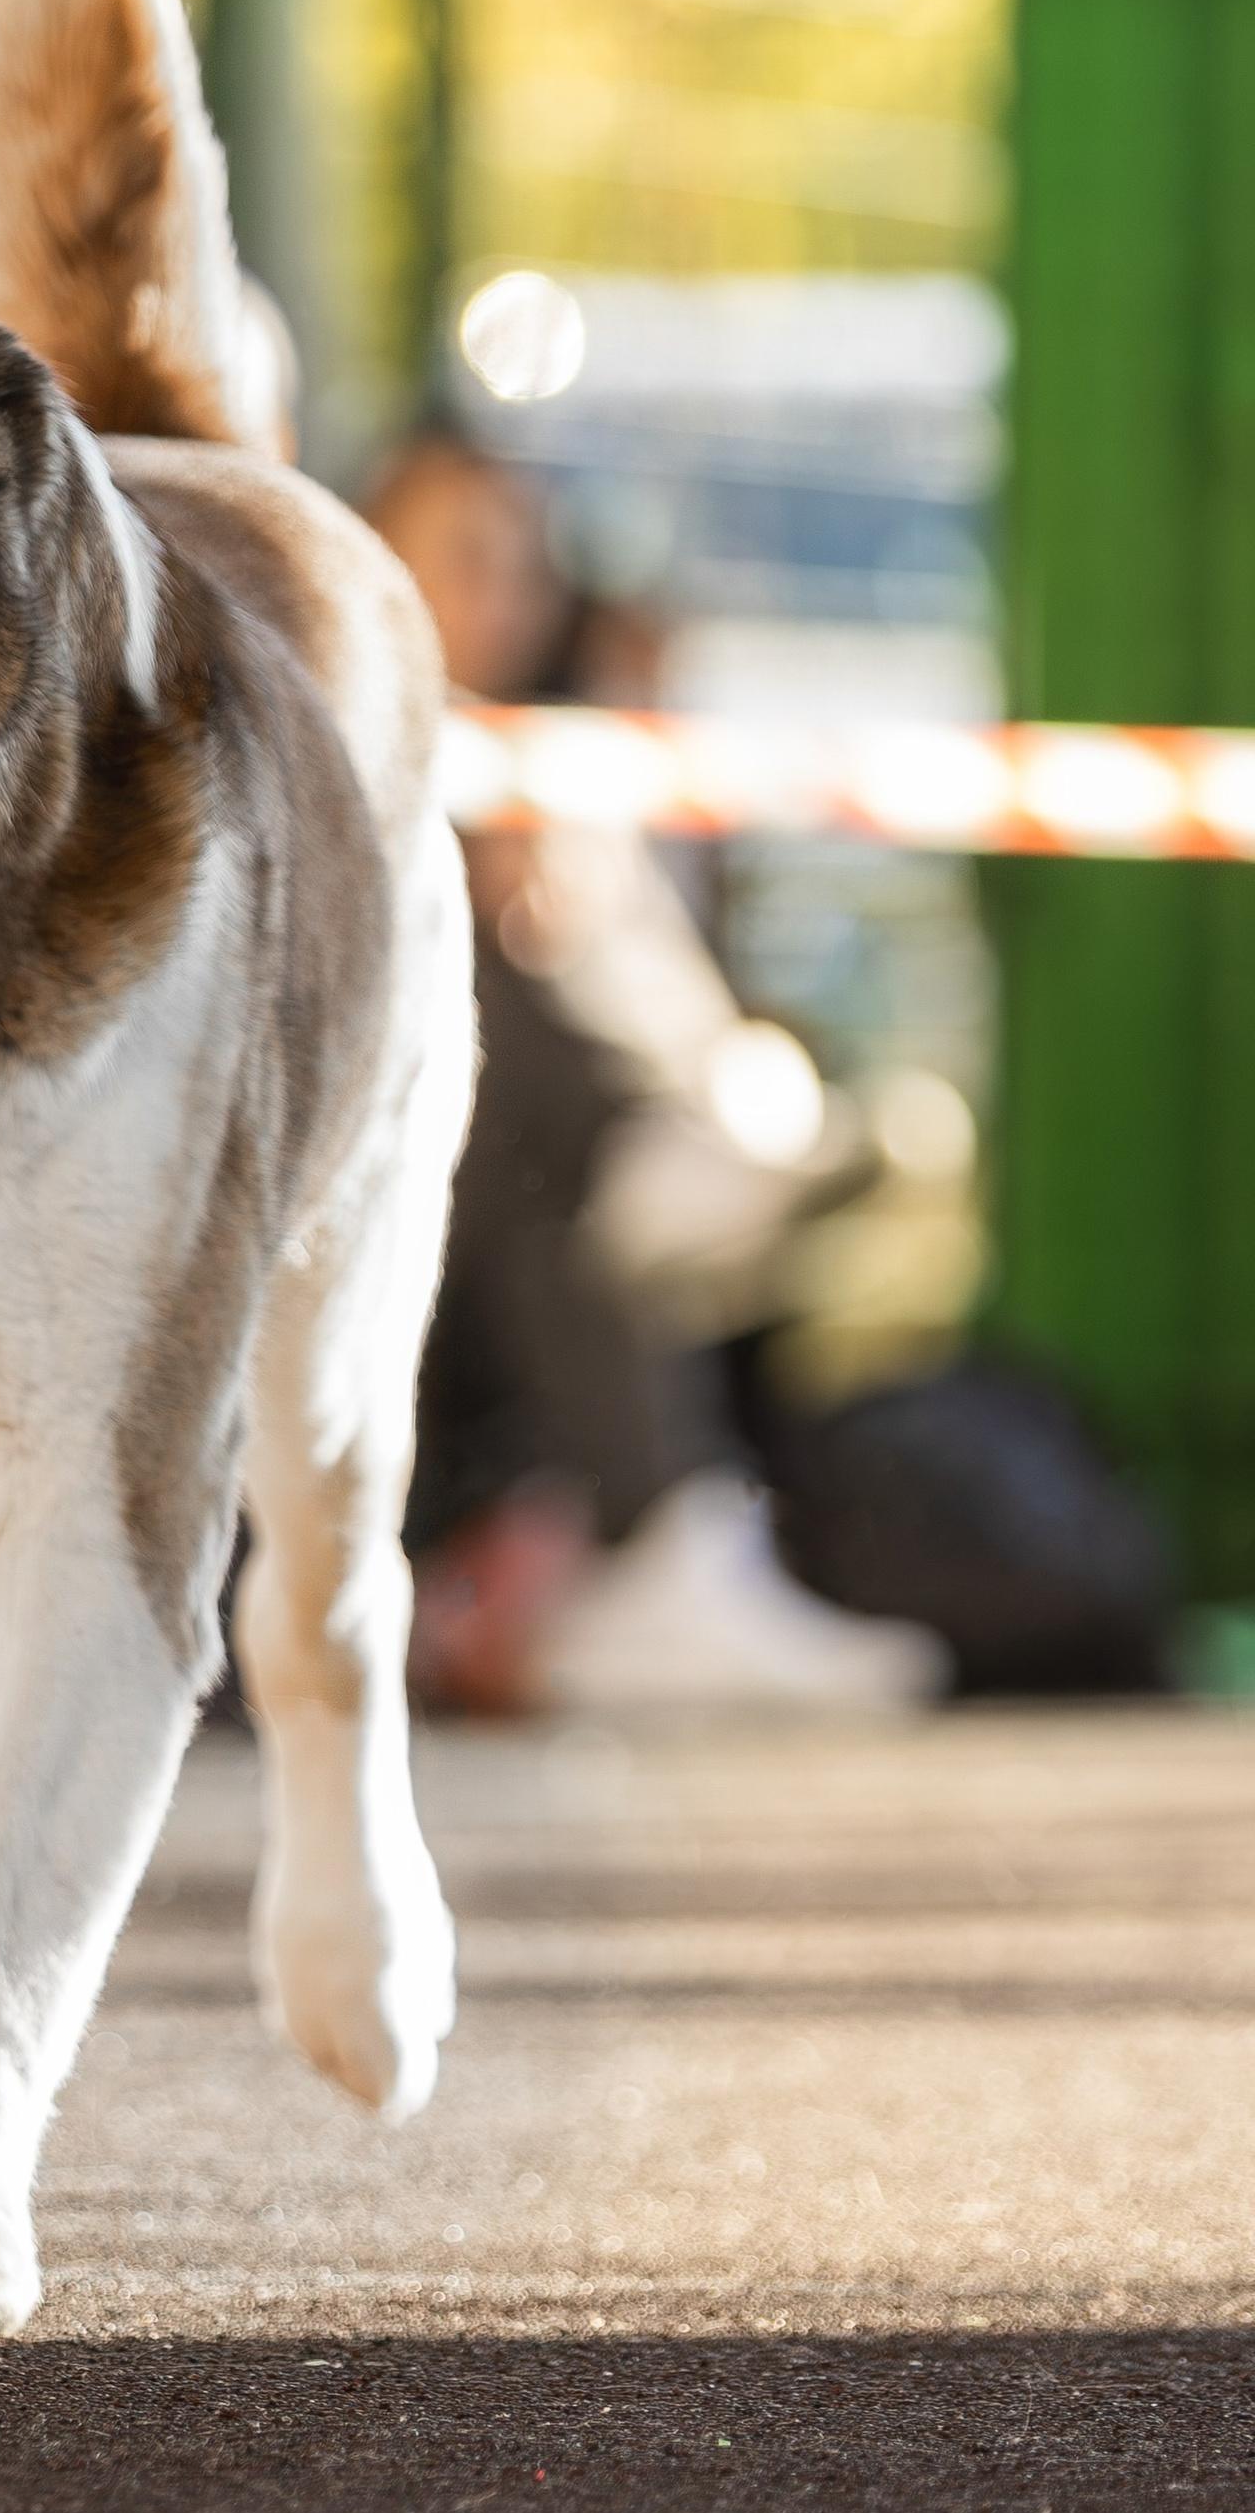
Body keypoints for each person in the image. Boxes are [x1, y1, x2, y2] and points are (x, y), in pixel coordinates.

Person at [366, 425, 942, 1713]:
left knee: (586, 1198)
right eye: (464, 556)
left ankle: (675, 1542)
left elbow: (667, 986)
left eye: (525, 567)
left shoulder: (564, 763)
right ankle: (667, 1544)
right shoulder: (314, 743)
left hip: (517, 1240)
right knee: (563, 1142)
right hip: (398, 1237)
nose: (501, 598)